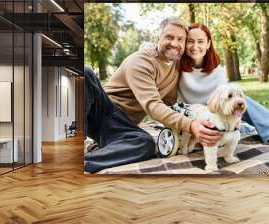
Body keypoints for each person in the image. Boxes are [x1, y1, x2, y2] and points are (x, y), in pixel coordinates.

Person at [84, 17, 223, 173]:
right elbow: (153, 105)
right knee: (85, 73)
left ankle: (92, 159)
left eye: (180, 39)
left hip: (122, 127)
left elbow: (171, 102)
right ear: (159, 38)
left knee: (145, 144)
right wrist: (191, 125)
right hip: (103, 110)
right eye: (169, 37)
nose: (174, 43)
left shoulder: (177, 64)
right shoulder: (140, 61)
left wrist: (210, 118)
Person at [142, 22, 269, 148]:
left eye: (200, 42)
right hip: (189, 113)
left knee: (243, 101)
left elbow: (225, 101)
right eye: (190, 41)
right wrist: (149, 48)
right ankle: (252, 128)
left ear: (208, 43)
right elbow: (162, 53)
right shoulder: (177, 64)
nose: (194, 46)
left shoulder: (217, 71)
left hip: (213, 112)